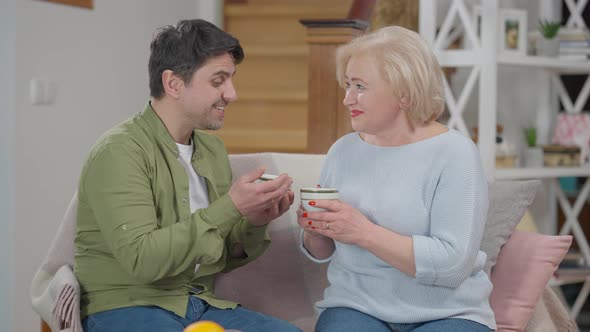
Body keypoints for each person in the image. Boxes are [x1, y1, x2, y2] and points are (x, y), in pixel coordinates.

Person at [74, 19, 301, 332]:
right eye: (218, 81)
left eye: (231, 80)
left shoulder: (211, 150)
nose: (232, 94)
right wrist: (230, 207)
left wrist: (255, 219)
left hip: (198, 303)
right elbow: (143, 260)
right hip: (127, 304)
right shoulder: (119, 151)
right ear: (174, 84)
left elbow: (224, 257)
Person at [298, 26, 495, 332]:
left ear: (404, 93)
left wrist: (363, 232)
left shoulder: (455, 154)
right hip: (356, 306)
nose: (348, 99)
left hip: (448, 313)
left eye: (360, 86)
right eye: (347, 85)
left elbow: (453, 266)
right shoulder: (342, 151)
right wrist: (317, 231)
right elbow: (323, 253)